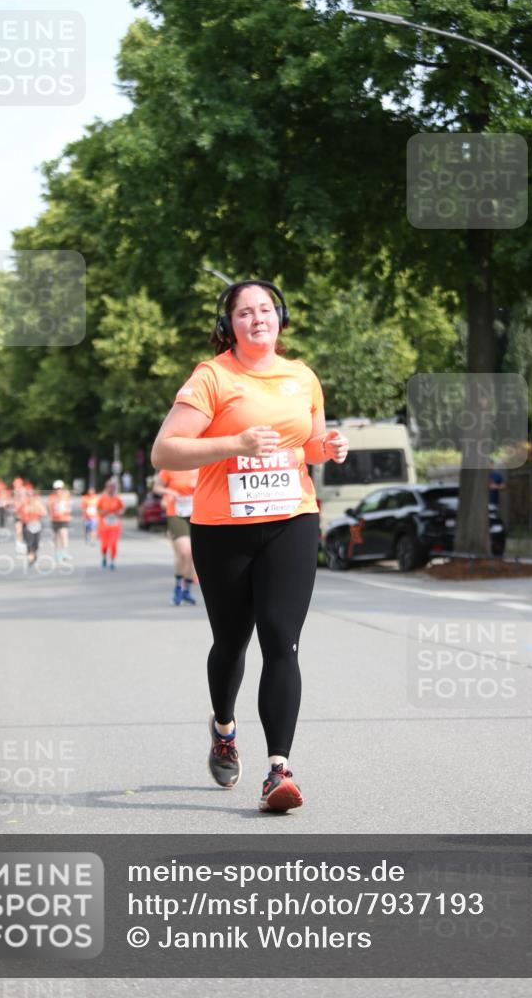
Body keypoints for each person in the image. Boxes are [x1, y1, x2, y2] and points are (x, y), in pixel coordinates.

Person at [151, 279, 348, 812]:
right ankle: (223, 727)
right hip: (222, 528)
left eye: (265, 310)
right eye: (245, 313)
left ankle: (278, 770)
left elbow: (308, 442)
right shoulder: (212, 377)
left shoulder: (302, 376)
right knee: (232, 642)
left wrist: (326, 446)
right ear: (229, 326)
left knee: (281, 642)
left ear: (280, 318)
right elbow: (164, 452)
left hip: (292, 519)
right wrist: (235, 443)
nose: (257, 319)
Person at [152, 468, 199, 605]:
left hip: (197, 512)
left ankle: (187, 590)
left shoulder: (201, 465)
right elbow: (157, 487)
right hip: (176, 512)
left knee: (192, 553)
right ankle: (178, 587)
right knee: (184, 551)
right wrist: (169, 491)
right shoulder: (171, 467)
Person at [97, 479, 124, 570]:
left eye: (113, 487)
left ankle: (112, 561)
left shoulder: (118, 499)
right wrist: (103, 512)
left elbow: (122, 510)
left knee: (113, 543)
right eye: (110, 487)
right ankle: (104, 556)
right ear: (106, 488)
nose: (111, 489)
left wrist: (118, 513)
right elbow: (98, 510)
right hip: (104, 526)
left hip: (115, 525)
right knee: (104, 545)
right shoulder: (102, 498)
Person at [16, 486, 47, 566]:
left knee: (36, 544)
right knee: (29, 543)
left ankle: (33, 553)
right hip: (27, 526)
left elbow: (44, 512)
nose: (29, 497)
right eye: (28, 495)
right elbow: (18, 516)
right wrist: (19, 529)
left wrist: (39, 513)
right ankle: (31, 557)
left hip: (36, 525)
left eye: (31, 495)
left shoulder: (37, 503)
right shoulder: (23, 504)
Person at [47, 480, 72, 561]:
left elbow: (69, 505)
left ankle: (65, 552)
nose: (58, 490)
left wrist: (67, 511)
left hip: (64, 518)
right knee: (57, 537)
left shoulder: (66, 495)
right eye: (56, 488)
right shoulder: (52, 497)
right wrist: (51, 515)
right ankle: (58, 553)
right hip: (55, 519)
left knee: (64, 534)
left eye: (59, 488)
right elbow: (49, 507)